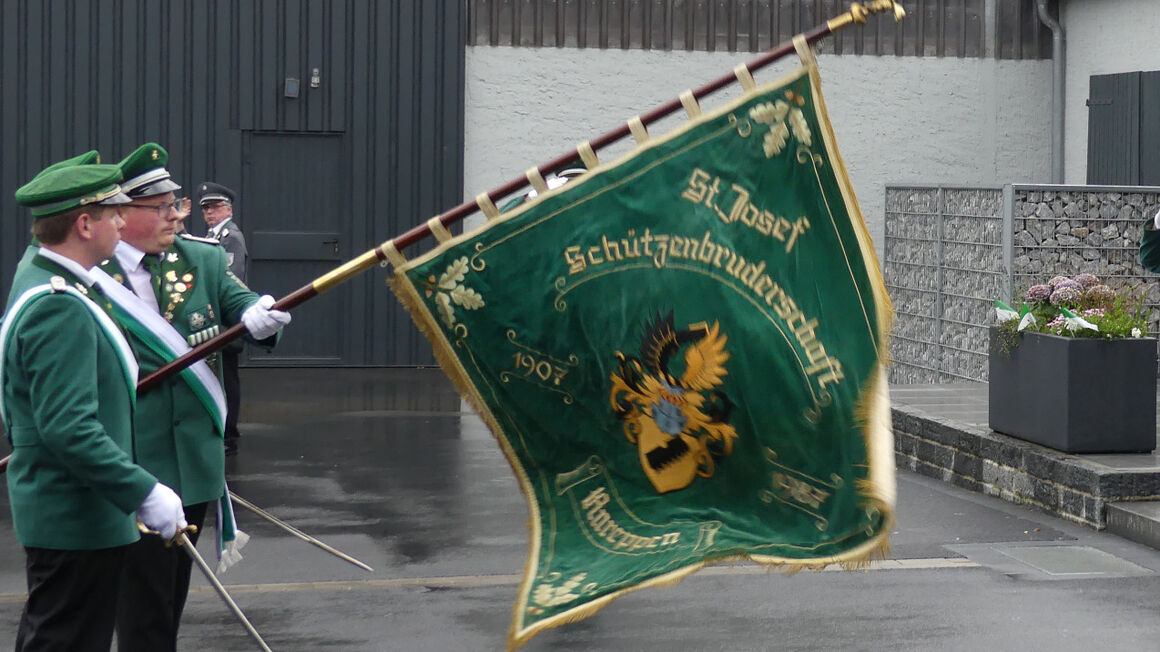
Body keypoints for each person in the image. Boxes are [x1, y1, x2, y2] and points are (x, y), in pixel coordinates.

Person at [98, 143, 291, 651]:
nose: (175, 216)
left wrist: (259, 314)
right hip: (133, 461)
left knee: (169, 596)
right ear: (123, 213)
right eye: (161, 208)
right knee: (140, 603)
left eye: (176, 205)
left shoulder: (201, 259)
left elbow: (240, 301)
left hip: (193, 464)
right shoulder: (96, 274)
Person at [3, 160, 185, 651]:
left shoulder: (51, 277)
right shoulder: (57, 305)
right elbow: (68, 428)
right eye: (114, 214)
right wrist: (143, 491)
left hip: (76, 516)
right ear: (85, 224)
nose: (123, 223)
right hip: (76, 518)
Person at [196, 182, 247, 454]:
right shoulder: (213, 235)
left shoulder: (230, 238)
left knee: (228, 376)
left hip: (226, 318)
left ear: (228, 208)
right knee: (220, 375)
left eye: (215, 207)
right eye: (206, 208)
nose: (210, 212)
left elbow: (230, 280)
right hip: (217, 318)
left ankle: (229, 435)